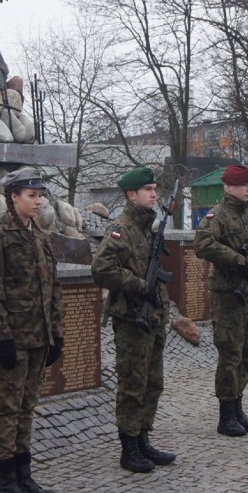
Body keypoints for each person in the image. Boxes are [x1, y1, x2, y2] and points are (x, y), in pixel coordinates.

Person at [0, 167, 63, 493]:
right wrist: (4, 339)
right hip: (10, 340)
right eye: (31, 195)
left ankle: (23, 474)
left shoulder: (39, 237)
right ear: (13, 197)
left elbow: (52, 289)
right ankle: (6, 482)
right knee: (8, 410)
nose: (38, 201)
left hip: (38, 338)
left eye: (40, 195)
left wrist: (56, 333)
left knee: (27, 408)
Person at [91, 167, 176, 473]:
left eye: (155, 188)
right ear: (131, 194)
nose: (154, 194)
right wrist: (140, 285)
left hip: (153, 317)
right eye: (148, 189)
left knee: (153, 382)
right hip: (131, 319)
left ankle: (143, 439)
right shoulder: (122, 228)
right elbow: (101, 268)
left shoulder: (147, 227)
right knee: (133, 383)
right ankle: (129, 447)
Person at [194, 164, 248, 437]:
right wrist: (238, 260)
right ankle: (226, 415)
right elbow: (202, 244)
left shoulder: (246, 218)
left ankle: (237, 406)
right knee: (230, 354)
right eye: (243, 185)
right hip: (228, 297)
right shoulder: (218, 215)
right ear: (228, 187)